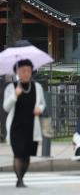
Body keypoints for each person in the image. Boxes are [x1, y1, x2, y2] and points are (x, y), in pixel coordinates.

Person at [3, 60, 46, 188]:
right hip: (16, 127)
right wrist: (14, 96)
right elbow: (6, 107)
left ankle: (22, 176)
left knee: (27, 155)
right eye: (23, 71)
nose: (26, 73)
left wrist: (40, 109)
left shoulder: (37, 87)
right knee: (18, 153)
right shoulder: (11, 88)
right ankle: (19, 180)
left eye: (28, 71)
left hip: (32, 127)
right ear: (17, 72)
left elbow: (43, 103)